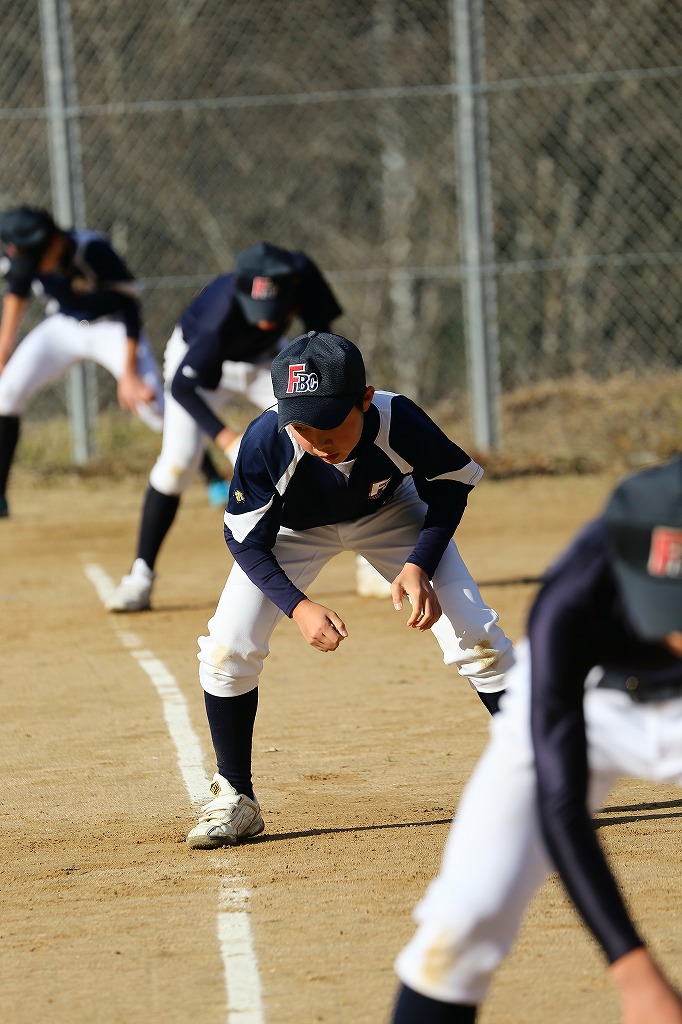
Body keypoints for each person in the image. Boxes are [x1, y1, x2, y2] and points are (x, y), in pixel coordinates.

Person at [184, 330, 515, 849]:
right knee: (227, 648)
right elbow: (244, 540)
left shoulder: (398, 418)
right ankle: (235, 796)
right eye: (301, 424)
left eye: (330, 420)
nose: (316, 439)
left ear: (365, 399)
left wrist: (419, 562)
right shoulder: (267, 439)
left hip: (392, 513)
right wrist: (297, 606)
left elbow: (449, 486)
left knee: (477, 634)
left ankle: (542, 776)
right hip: (292, 532)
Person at [390, 456, 682, 1024]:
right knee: (466, 917)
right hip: (592, 701)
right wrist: (635, 973)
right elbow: (561, 800)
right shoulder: (574, 596)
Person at [106, 242, 344, 612]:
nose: (266, 318)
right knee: (178, 464)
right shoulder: (219, 314)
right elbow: (184, 387)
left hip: (266, 361)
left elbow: (322, 336)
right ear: (240, 286)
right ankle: (140, 576)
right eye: (258, 308)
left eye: (275, 308)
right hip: (201, 368)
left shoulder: (304, 274)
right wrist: (227, 438)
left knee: (329, 423)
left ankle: (365, 553)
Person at [0, 204, 225, 518]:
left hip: (113, 326)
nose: (33, 268)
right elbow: (16, 293)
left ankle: (215, 480)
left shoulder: (93, 251)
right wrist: (3, 348)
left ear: (52, 243)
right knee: (5, 393)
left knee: (153, 406)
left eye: (35, 260)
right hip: (62, 326)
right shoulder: (29, 255)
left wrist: (129, 374)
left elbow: (130, 309)